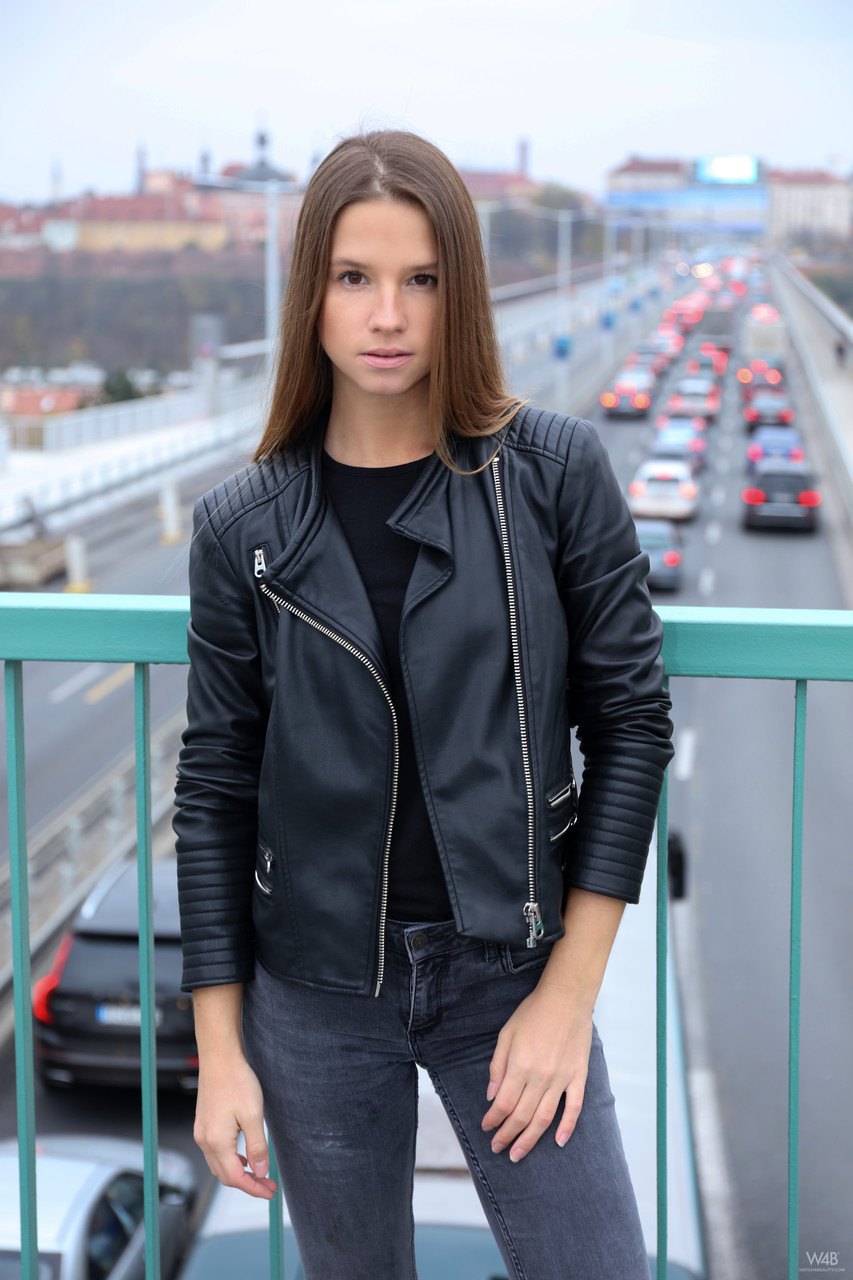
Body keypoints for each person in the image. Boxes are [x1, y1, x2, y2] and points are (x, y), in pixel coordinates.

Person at [174, 129, 674, 1280]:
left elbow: (631, 726)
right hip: (314, 994)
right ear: (311, 295)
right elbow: (213, 789)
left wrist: (567, 997)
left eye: (423, 279)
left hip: (510, 968)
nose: (388, 315)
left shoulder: (553, 475)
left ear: (464, 294)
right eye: (355, 277)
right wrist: (220, 1049)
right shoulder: (241, 528)